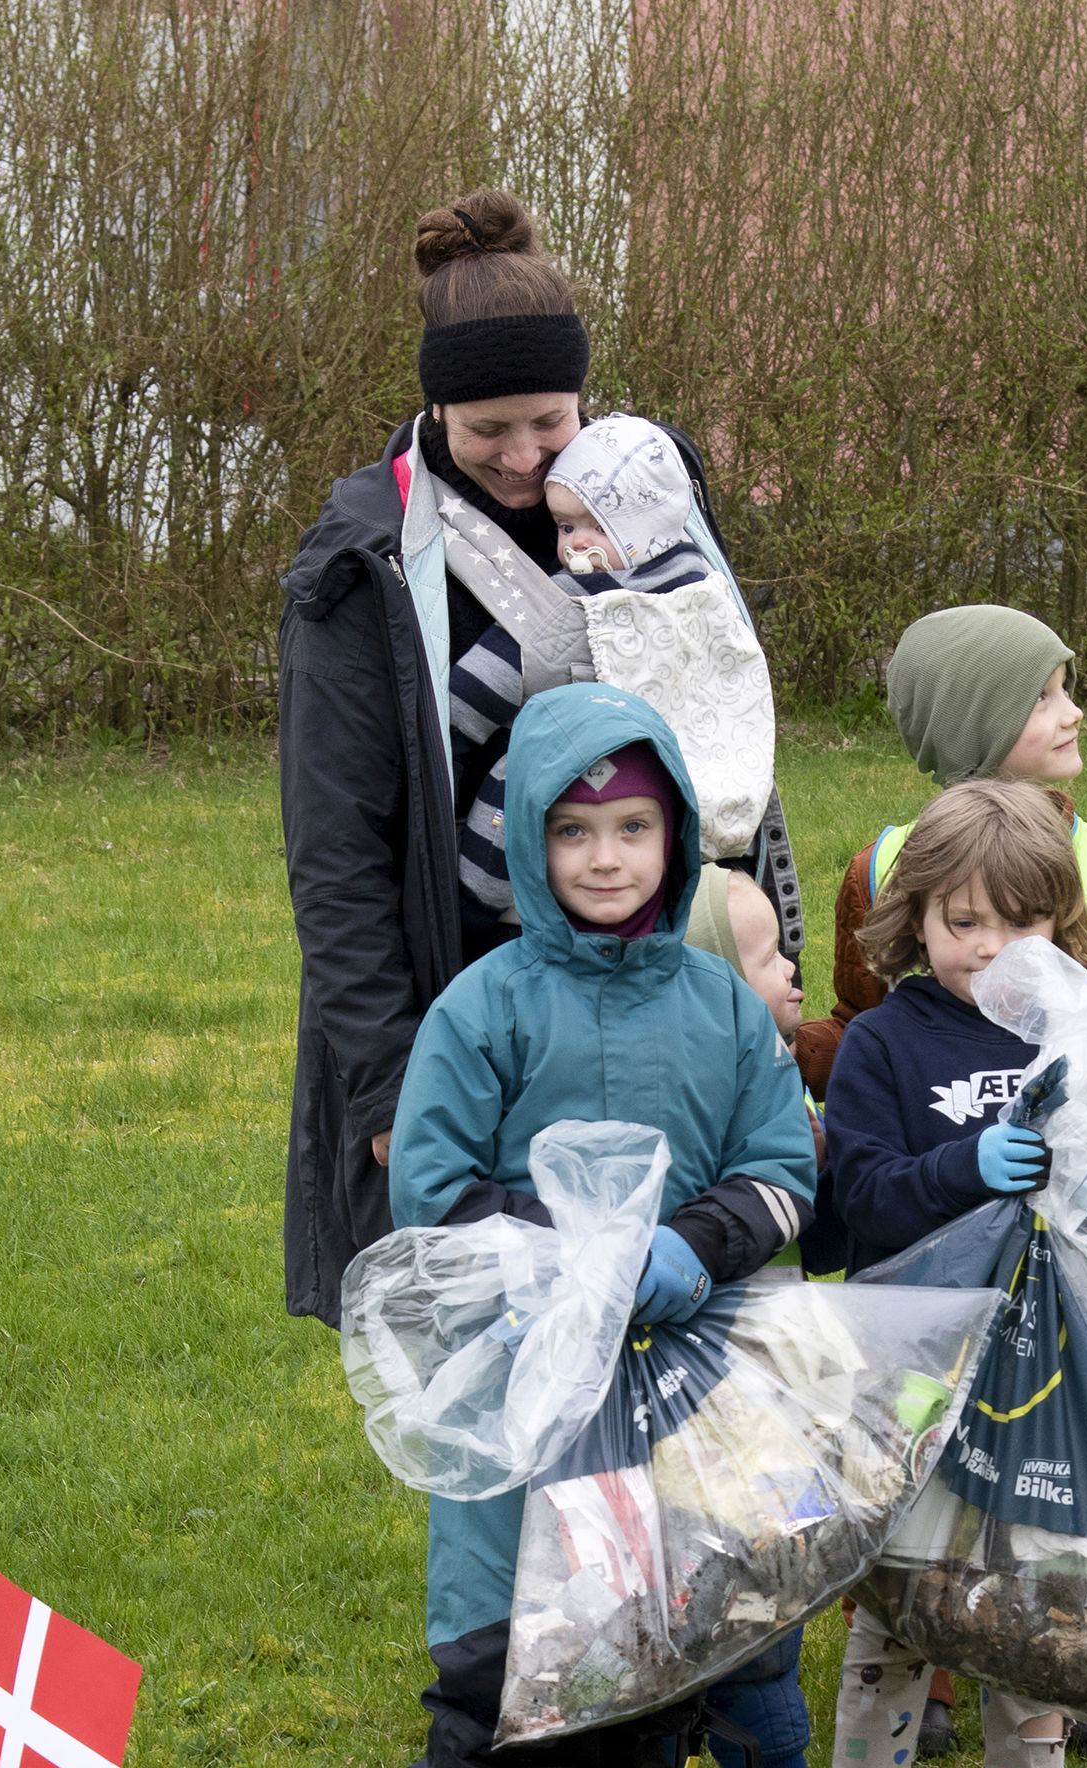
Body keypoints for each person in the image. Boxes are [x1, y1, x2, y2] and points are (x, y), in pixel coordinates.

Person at [276, 190, 791, 1330]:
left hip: (649, 981)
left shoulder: (645, 504)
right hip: (462, 997)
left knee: (674, 1335)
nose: (519, 458)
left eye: (548, 424)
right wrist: (387, 1081)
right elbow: (335, 850)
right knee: (498, 1349)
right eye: (486, 429)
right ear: (435, 410)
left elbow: (711, 710)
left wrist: (759, 954)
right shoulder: (362, 561)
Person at [381, 686, 819, 1768]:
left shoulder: (722, 1007)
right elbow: (430, 1182)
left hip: (675, 1373)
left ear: (677, 836)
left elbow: (782, 1162)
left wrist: (693, 1246)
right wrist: (561, 1254)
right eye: (576, 833)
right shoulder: (486, 1006)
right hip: (525, 1375)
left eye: (634, 826)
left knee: (650, 1628)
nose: (609, 857)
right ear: (529, 842)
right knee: (514, 1633)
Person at [770, 780, 1087, 1768]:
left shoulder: (1082, 1031)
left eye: (1019, 923)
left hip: (1042, 1371)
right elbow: (856, 1204)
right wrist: (970, 1167)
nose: (987, 947)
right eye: (959, 923)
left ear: (1062, 925)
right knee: (898, 1605)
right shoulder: (887, 1045)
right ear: (912, 923)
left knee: (1029, 1596)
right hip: (909, 1367)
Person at [791, 604, 1087, 1322]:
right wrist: (775, 1046)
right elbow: (858, 1024)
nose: (991, 946)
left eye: (1021, 920)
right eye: (1043, 697)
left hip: (1064, 1305)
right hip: (916, 1310)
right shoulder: (882, 870)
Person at [672, 869, 840, 1768]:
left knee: (778, 1574)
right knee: (683, 1578)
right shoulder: (705, 1092)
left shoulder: (786, 1075)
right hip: (694, 1390)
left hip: (784, 1385)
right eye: (768, 954)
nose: (792, 969)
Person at [451, 416, 779, 924]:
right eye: (564, 527)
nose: (576, 545)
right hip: (686, 774)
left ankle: (474, 897)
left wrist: (447, 729)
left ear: (644, 525)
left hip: (595, 754)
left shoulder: (583, 595)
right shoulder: (704, 578)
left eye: (595, 525)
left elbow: (492, 674)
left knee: (513, 773)